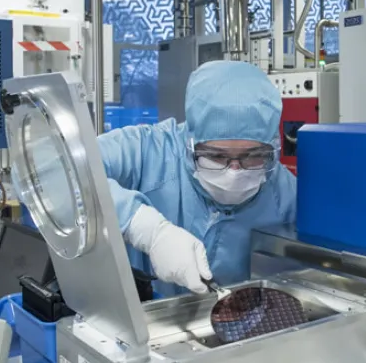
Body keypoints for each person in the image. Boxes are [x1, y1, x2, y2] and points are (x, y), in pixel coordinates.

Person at [97, 60, 296, 296]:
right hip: (143, 316)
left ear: (272, 148)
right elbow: (59, 167)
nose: (234, 171)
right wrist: (147, 229)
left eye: (252, 157)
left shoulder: (287, 196)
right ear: (189, 142)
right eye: (216, 157)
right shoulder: (148, 150)